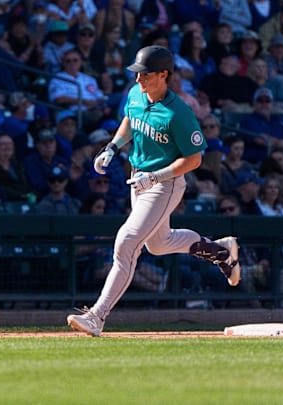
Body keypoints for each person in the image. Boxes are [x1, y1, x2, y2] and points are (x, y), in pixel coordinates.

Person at [66, 46, 240, 337]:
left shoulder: (179, 112)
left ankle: (97, 316)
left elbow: (195, 158)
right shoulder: (136, 95)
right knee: (158, 244)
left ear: (164, 75)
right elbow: (129, 121)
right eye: (137, 74)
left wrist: (156, 177)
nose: (138, 80)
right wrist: (111, 148)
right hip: (139, 178)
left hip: (166, 182)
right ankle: (221, 251)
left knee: (126, 242)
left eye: (145, 74)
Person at [0, 133, 33, 202]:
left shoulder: (18, 166)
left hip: (22, 200)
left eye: (10, 144)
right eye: (3, 144)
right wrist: (19, 194)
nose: (7, 147)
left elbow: (26, 185)